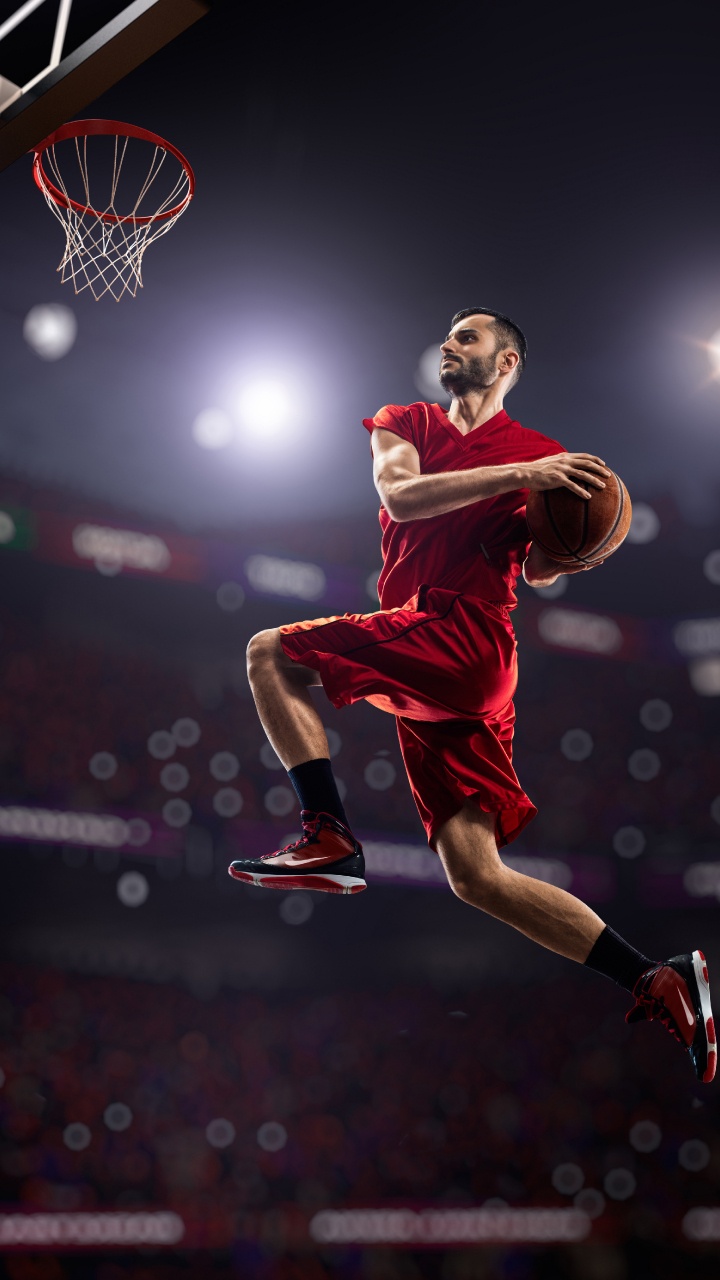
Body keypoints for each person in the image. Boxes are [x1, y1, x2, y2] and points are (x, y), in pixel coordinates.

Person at [228, 307, 715, 1084]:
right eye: (449, 336)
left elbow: (544, 568)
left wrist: (576, 541)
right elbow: (400, 498)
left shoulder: (545, 456)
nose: (452, 346)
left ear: (508, 363)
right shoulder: (408, 421)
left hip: (461, 634)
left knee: (269, 654)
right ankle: (655, 977)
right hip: (450, 665)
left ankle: (328, 833)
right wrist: (529, 479)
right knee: (474, 875)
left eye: (470, 337)